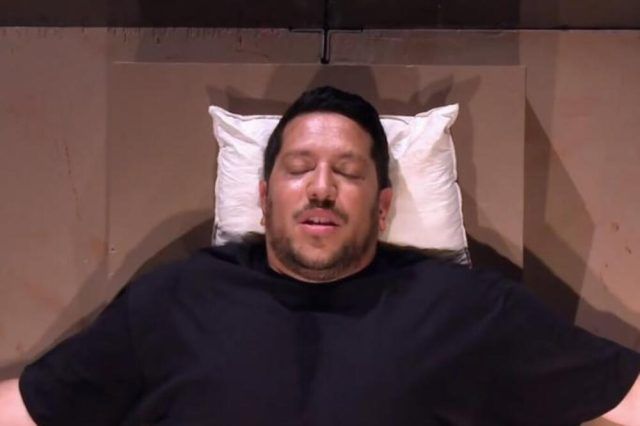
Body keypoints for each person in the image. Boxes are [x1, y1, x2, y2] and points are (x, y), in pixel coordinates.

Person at [0, 86, 639, 425]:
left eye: (349, 171)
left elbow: (621, 394)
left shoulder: (466, 309)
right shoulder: (172, 303)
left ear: (383, 208)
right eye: (299, 167)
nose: (322, 187)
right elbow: (30, 407)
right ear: (263, 198)